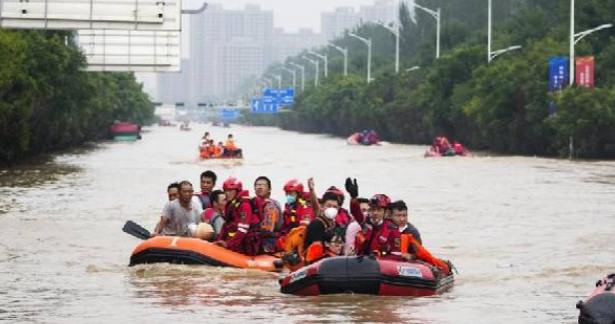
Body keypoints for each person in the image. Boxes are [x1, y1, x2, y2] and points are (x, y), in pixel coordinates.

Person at [216, 177, 261, 255]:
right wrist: (218, 240)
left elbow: (243, 230)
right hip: (235, 241)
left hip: (247, 244)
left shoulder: (244, 205)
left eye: (230, 191)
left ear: (237, 191)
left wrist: (228, 245)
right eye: (226, 190)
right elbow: (226, 225)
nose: (227, 193)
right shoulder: (232, 204)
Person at [303, 190, 340, 264]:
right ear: (322, 207)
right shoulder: (317, 225)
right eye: (329, 206)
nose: (332, 209)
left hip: (330, 259)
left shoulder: (335, 225)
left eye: (335, 207)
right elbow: (316, 252)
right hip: (313, 262)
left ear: (338, 209)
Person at [253, 176, 283, 253]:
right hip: (259, 237)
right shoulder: (253, 203)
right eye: (257, 185)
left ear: (269, 189)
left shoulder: (271, 205)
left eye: (263, 185)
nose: (259, 187)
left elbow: (268, 228)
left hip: (268, 241)